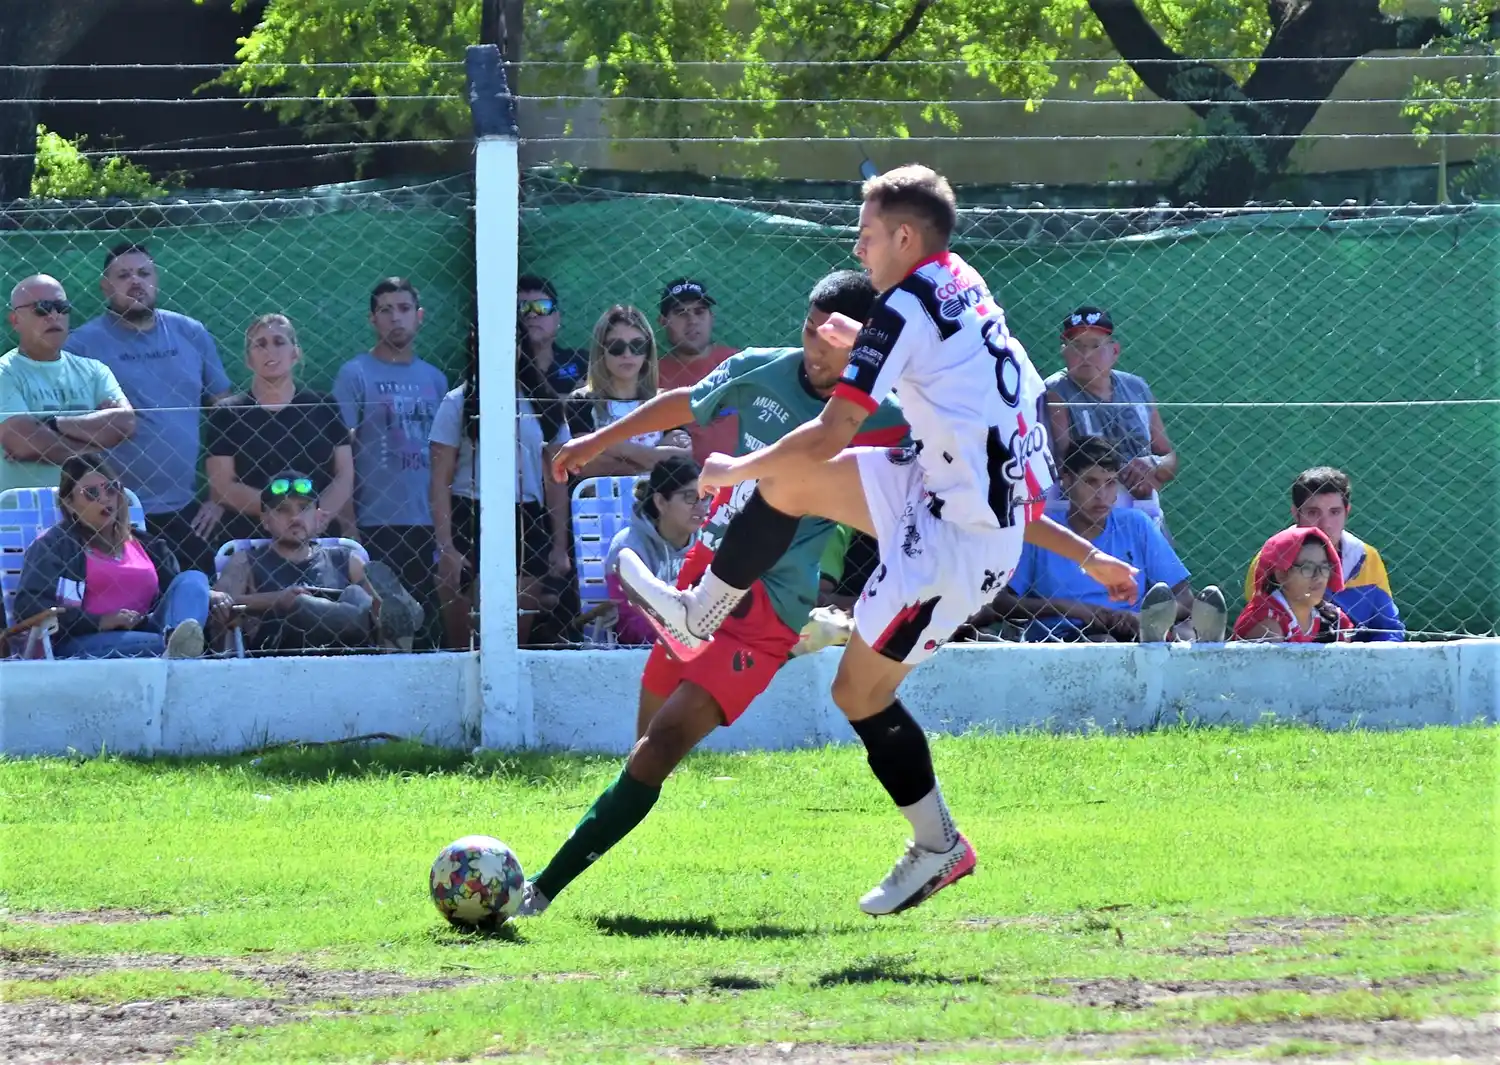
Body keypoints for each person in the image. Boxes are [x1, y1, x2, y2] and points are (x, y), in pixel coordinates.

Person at [615, 165, 1137, 916]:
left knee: (856, 690)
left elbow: (832, 432)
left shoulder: (903, 311)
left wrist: (731, 468)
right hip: (939, 489)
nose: (857, 250)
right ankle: (702, 611)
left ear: (903, 236)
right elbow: (942, 377)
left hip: (956, 547)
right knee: (787, 489)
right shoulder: (958, 279)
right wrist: (866, 343)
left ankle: (939, 844)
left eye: (864, 236)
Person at [515, 269, 908, 918]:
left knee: (661, 746)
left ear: (862, 344)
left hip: (762, 614)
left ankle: (540, 890)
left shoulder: (881, 412)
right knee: (644, 749)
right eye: (809, 329)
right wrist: (597, 438)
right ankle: (783, 631)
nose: (814, 347)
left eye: (832, 338)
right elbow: (686, 403)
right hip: (704, 575)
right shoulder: (763, 368)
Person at [68, 242, 233, 575]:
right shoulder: (82, 345)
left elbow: (226, 416)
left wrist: (220, 496)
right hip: (113, 512)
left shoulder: (191, 333)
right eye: (124, 275)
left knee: (199, 599)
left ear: (156, 279)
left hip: (188, 509)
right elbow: (71, 430)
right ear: (105, 286)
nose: (135, 282)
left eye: (144, 273)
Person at [429, 326, 572, 650]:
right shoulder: (457, 403)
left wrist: (559, 545)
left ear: (521, 347)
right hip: (469, 513)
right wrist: (446, 546)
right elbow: (440, 478)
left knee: (510, 642)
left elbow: (556, 478)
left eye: (509, 342)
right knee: (462, 646)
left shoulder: (545, 404)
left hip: (527, 517)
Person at [14, 453, 230, 659]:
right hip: (81, 641)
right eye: (91, 493)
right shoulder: (54, 546)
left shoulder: (148, 545)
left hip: (151, 631)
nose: (105, 499)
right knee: (158, 644)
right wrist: (100, 622)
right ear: (69, 503)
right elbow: (28, 606)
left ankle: (176, 644)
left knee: (194, 578)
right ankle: (177, 649)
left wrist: (204, 594)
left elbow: (176, 593)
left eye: (111, 488)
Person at [332, 278, 449, 631]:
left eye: (404, 309)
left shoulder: (436, 379)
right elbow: (341, 453)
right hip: (374, 523)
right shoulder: (355, 374)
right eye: (386, 310)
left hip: (427, 524)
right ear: (372, 320)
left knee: (421, 622)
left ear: (419, 316)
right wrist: (349, 523)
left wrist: (445, 532)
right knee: (380, 621)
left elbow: (445, 458)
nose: (396, 318)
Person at [213, 472, 420, 654]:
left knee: (356, 594)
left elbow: (381, 607)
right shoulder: (246, 559)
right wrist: (278, 601)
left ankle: (400, 612)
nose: (294, 517)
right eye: (282, 510)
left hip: (347, 653)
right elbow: (220, 605)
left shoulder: (344, 558)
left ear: (319, 518)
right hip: (281, 652)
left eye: (304, 508)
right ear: (265, 520)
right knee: (301, 604)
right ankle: (387, 633)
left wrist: (379, 606)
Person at [205, 314, 354, 545]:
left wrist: (313, 518)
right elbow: (221, 487)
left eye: (279, 342)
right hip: (252, 541)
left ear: (295, 353)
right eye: (260, 344)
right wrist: (283, 515)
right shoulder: (227, 413)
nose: (270, 351)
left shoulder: (325, 406)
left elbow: (344, 473)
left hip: (318, 538)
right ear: (248, 359)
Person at [1042, 306, 1177, 529]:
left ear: (1114, 351)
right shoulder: (1056, 391)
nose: (1085, 355)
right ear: (1064, 351)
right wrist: (1119, 474)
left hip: (1145, 510)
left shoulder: (1137, 388)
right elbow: (1063, 464)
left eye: (1095, 345)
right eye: (1076, 346)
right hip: (1085, 515)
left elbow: (1168, 455)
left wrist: (1153, 465)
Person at [0, 275, 136, 494]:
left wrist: (52, 425)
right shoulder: (4, 373)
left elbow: (124, 423)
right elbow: (23, 442)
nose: (54, 315)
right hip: (24, 513)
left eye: (61, 307)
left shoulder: (95, 371)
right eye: (42, 308)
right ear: (15, 320)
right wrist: (95, 447)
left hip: (87, 513)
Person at [1242, 466, 1402, 641]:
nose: (1325, 524)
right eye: (1313, 512)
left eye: (1335, 512)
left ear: (1346, 512)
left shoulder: (1367, 558)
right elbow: (1259, 621)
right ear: (1296, 513)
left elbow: (1389, 628)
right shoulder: (1269, 560)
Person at [562, 305, 693, 478]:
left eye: (637, 346)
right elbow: (584, 467)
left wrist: (606, 445)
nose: (627, 354)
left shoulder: (665, 400)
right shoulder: (581, 400)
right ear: (601, 351)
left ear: (647, 351)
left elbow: (682, 461)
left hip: (655, 504)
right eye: (617, 347)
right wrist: (656, 457)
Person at [604, 455, 706, 645]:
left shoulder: (709, 543)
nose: (702, 507)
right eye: (690, 497)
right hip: (646, 648)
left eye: (706, 496)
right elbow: (629, 622)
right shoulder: (628, 547)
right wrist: (680, 634)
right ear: (661, 502)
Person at [655, 278, 740, 464]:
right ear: (663, 321)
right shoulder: (651, 375)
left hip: (746, 476)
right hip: (682, 484)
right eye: (681, 313)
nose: (692, 321)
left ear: (711, 317)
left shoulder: (740, 363)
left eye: (699, 312)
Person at [1234, 526, 1353, 643]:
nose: (1318, 576)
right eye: (1307, 568)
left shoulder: (1334, 621)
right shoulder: (1268, 625)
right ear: (1281, 575)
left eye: (1324, 567)